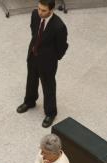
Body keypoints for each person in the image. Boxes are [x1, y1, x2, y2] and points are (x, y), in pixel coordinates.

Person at [16, 0, 68, 128]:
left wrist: (52, 57)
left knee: (48, 86)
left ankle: (50, 112)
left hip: (48, 61)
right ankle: (30, 101)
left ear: (51, 10)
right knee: (31, 79)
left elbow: (62, 47)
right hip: (33, 54)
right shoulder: (34, 15)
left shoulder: (59, 26)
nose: (40, 12)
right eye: (39, 8)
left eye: (43, 10)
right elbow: (34, 32)